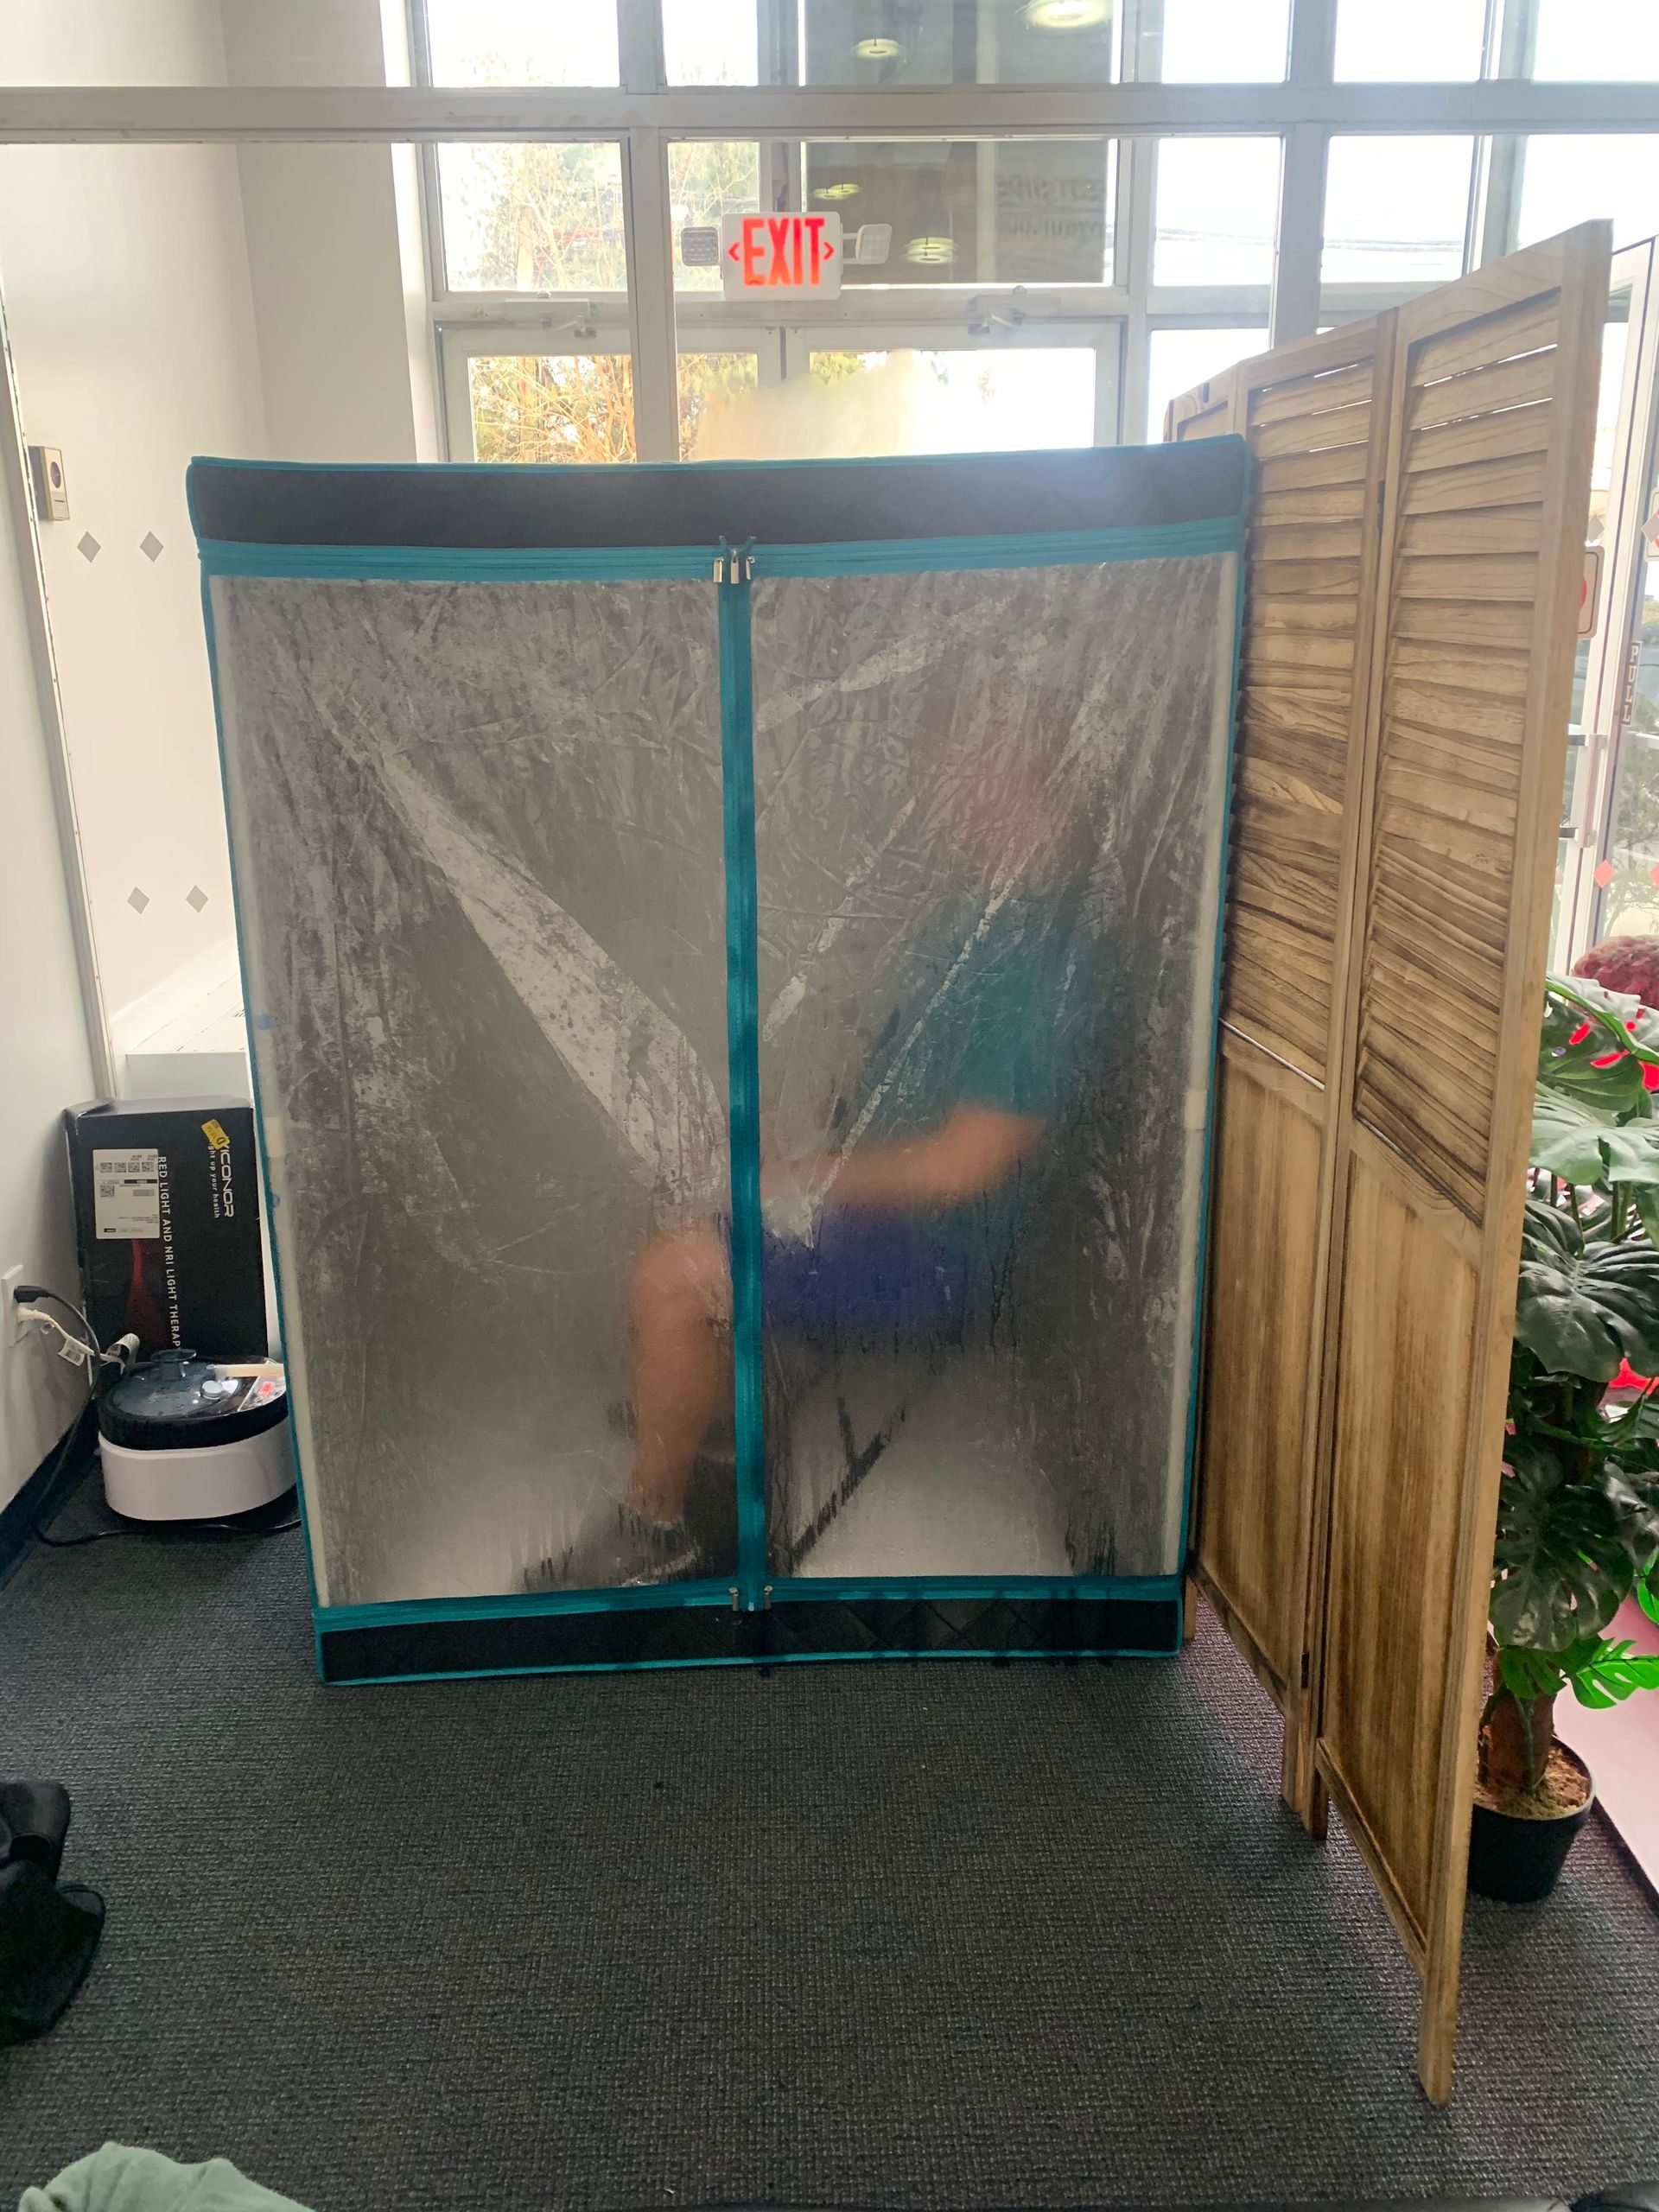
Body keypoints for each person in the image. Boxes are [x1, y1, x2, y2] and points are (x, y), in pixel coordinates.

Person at [542, 708, 1103, 1592]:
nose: (948, 801)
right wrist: (760, 1137)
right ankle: (697, 1412)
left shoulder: (1043, 963)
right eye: (941, 777)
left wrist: (805, 1180)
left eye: (970, 772)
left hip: (940, 1250)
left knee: (667, 1273)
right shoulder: (975, 917)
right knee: (670, 1184)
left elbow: (967, 1166)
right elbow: (876, 1083)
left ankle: (657, 1527)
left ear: (1037, 771)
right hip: (875, 1198)